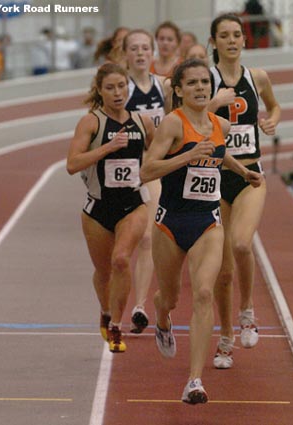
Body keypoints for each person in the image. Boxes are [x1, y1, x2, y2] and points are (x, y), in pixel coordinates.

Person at [140, 58, 263, 404]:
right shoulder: (172, 125)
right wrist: (187, 155)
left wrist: (243, 172)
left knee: (204, 293)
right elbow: (148, 171)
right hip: (170, 222)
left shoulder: (219, 124)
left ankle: (194, 380)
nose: (200, 88)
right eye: (191, 83)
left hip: (208, 222)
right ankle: (161, 317)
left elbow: (220, 156)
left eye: (204, 83)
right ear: (178, 91)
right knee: (169, 297)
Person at [208, 13, 281, 369]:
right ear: (215, 42)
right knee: (222, 270)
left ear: (244, 40)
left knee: (241, 243)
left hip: (250, 174)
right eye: (225, 36)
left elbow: (275, 105)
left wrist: (271, 121)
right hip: (215, 177)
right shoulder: (206, 80)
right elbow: (186, 118)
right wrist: (212, 104)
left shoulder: (258, 77)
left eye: (237, 34)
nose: (233, 41)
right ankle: (224, 338)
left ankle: (248, 310)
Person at [66, 63, 155, 353]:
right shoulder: (91, 122)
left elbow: (157, 156)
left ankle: (116, 325)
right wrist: (107, 148)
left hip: (133, 205)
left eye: (122, 86)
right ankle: (105, 310)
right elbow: (72, 165)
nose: (118, 93)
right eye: (111, 88)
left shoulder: (143, 123)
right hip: (98, 209)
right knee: (103, 271)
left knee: (121, 260)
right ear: (100, 91)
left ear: (128, 87)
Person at [122, 29, 170, 333]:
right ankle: (110, 308)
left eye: (145, 48)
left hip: (152, 169)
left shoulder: (163, 86)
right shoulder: (119, 89)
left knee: (149, 239)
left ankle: (139, 306)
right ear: (125, 54)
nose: (141, 53)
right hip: (123, 170)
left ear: (152, 53)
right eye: (134, 48)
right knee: (119, 249)